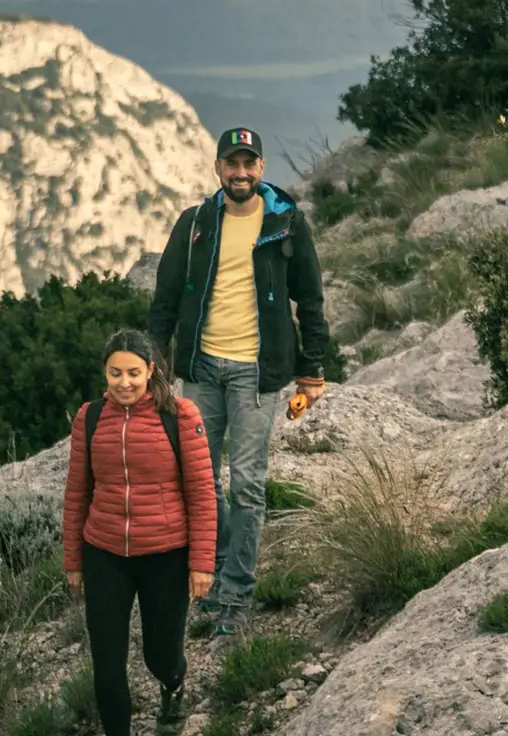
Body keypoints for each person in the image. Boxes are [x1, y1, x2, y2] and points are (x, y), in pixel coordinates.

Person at [148, 126, 329, 638]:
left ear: (261, 169)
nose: (241, 172)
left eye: (250, 163)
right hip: (202, 369)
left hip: (257, 373)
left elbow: (309, 300)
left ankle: (238, 594)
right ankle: (216, 570)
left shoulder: (285, 223)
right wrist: (152, 365)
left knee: (246, 483)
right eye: (233, 163)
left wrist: (311, 370)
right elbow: (164, 301)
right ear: (218, 169)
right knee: (200, 479)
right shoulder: (196, 223)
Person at [62, 329, 219, 736]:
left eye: (133, 372)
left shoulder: (181, 416)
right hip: (105, 553)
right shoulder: (90, 417)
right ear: (105, 373)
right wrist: (74, 561)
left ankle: (173, 684)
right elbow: (77, 492)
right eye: (115, 373)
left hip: (165, 555)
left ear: (151, 370)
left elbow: (203, 494)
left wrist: (201, 564)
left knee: (160, 655)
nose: (124, 383)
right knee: (107, 666)